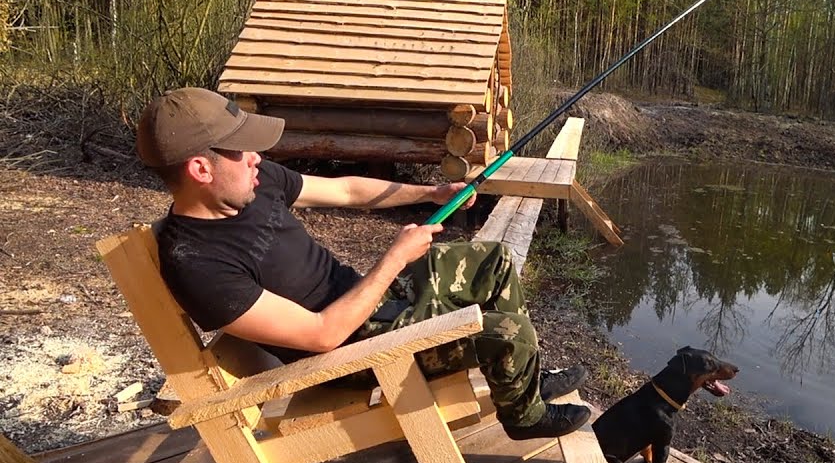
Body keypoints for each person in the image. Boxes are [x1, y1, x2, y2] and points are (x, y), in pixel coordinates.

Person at [134, 87, 590, 440]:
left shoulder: (249, 185)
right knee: (505, 333)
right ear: (200, 169)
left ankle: (521, 382)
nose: (257, 156)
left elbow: (347, 191)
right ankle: (526, 417)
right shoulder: (197, 263)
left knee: (493, 259)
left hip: (371, 308)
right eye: (241, 149)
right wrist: (394, 257)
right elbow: (323, 335)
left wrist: (431, 193)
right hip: (356, 358)